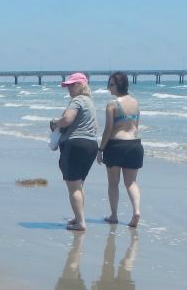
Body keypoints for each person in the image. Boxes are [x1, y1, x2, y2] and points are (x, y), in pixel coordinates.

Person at [49, 73, 101, 231]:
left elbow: (67, 120)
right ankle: (79, 217)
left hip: (75, 144)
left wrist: (54, 122)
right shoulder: (90, 103)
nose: (69, 89)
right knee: (79, 185)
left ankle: (80, 223)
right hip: (91, 145)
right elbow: (96, 126)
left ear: (81, 85)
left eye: (72, 85)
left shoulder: (77, 101)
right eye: (68, 86)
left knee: (73, 187)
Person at [98, 71, 143, 227]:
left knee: (113, 183)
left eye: (110, 85)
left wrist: (100, 149)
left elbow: (108, 129)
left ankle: (114, 215)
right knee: (131, 183)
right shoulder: (136, 103)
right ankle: (136, 210)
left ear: (118, 86)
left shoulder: (112, 104)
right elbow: (136, 126)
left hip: (116, 145)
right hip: (134, 145)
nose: (108, 88)